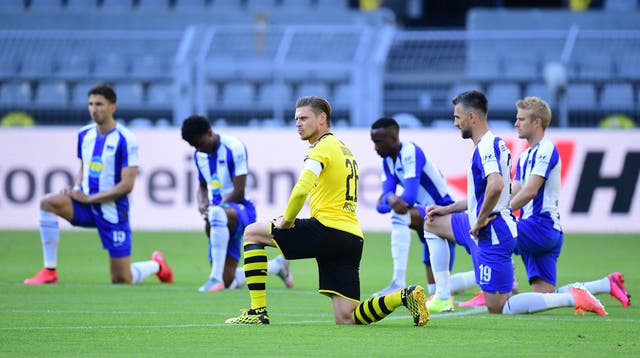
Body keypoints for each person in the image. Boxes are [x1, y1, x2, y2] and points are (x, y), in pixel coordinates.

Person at [225, 96, 429, 326]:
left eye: (304, 118)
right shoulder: (343, 149)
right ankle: (404, 296)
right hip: (351, 238)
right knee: (347, 317)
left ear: (322, 119)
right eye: (296, 119)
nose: (298, 124)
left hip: (328, 230)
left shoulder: (321, 148)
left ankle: (257, 311)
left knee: (252, 232)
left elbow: (301, 188)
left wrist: (287, 220)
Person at [424, 90, 607, 316]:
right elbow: (490, 194)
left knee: (499, 307)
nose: (454, 123)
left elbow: (497, 185)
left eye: (457, 117)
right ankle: (442, 296)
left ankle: (572, 297)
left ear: (472, 117)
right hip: (485, 225)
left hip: (494, 231)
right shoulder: (493, 145)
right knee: (433, 222)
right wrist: (448, 208)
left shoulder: (487, 147)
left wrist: (480, 219)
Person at [23, 84, 173, 285]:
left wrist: (90, 198)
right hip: (84, 206)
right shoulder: (85, 134)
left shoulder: (126, 139)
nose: (94, 109)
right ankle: (49, 271)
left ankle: (157, 265)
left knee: (121, 279)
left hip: (112, 211)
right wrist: (76, 189)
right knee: (48, 203)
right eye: (91, 104)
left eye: (100, 104)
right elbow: (84, 166)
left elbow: (127, 186)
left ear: (113, 107)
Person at [510, 96, 630, 306]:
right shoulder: (525, 156)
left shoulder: (546, 149)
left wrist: (497, 214)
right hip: (540, 230)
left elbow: (530, 191)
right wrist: (493, 206)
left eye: (521, 119)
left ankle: (497, 286)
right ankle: (605, 284)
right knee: (545, 297)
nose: (516, 123)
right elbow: (516, 190)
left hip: (540, 226)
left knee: (492, 233)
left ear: (537, 122)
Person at [369, 117, 476, 312]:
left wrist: (390, 198)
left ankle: (397, 282)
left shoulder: (410, 152)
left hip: (444, 212)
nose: (375, 147)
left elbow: (406, 199)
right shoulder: (387, 161)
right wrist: (391, 199)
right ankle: (480, 276)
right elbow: (383, 206)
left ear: (393, 137)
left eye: (378, 141)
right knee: (437, 289)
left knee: (400, 215)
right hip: (425, 214)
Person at [181, 115, 293, 292]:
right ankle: (277, 266)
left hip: (241, 210)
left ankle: (214, 278)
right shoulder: (199, 155)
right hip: (219, 218)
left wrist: (216, 208)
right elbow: (202, 186)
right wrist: (202, 204)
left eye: (200, 144)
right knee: (229, 283)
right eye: (194, 146)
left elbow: (239, 190)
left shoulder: (234, 147)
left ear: (209, 133)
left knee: (216, 215)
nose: (199, 149)